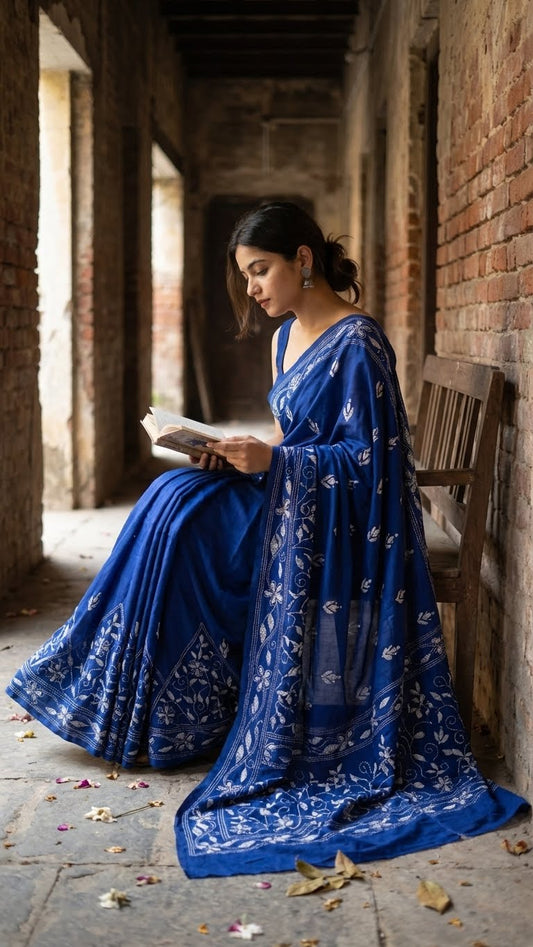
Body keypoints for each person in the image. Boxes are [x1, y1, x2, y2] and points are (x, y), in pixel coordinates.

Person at [6, 201, 527, 879]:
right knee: (169, 499)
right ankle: (135, 706)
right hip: (289, 494)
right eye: (245, 274)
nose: (251, 287)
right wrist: (232, 452)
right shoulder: (284, 339)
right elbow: (293, 433)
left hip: (333, 524)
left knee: (186, 528)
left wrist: (275, 463)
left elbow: (374, 463)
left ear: (302, 260)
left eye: (260, 270)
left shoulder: (358, 342)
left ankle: (179, 716)